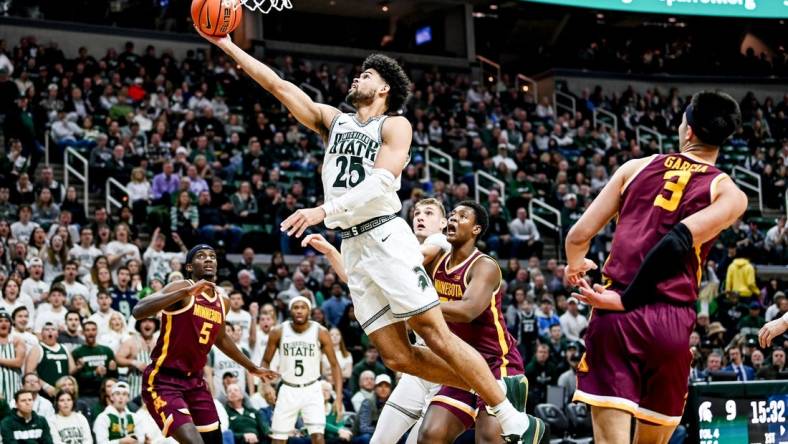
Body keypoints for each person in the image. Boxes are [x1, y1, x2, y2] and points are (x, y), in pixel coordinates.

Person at [200, 29, 534, 442]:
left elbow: (380, 184)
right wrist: (228, 46)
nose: (358, 77)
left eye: (367, 74)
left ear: (385, 88)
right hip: (354, 244)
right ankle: (482, 388)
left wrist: (323, 210)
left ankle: (503, 409)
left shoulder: (395, 126)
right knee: (397, 355)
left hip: (386, 236)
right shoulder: (333, 121)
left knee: (433, 333)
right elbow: (277, 85)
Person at [565, 91, 747, 443]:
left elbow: (578, 235)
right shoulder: (730, 192)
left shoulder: (635, 167)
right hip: (670, 322)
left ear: (689, 131)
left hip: (616, 310)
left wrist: (576, 267)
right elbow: (680, 240)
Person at [419, 201, 539, 444]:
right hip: (461, 364)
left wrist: (417, 307)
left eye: (462, 217)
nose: (453, 219)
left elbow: (468, 310)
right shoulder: (436, 262)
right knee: (430, 435)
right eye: (451, 214)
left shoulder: (484, 266)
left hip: (498, 364)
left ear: (476, 229)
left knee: (488, 439)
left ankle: (531, 430)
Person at [132, 244, 276, 444]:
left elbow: (222, 338)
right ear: (190, 267)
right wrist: (185, 293)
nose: (208, 259)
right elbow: (138, 310)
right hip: (163, 380)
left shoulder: (222, 300)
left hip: (195, 382)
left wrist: (252, 367)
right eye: (201, 256)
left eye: (212, 256)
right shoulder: (181, 287)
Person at [262, 296, 344, 444]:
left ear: (309, 311)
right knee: (278, 439)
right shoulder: (278, 331)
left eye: (303, 307)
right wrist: (266, 385)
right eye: (296, 307)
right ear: (290, 311)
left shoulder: (321, 332)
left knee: (318, 437)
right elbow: (265, 361)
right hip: (287, 389)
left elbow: (335, 365)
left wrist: (338, 397)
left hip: (312, 389)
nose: (299, 311)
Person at [71, 321, 117, 402]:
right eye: (87, 330)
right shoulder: (77, 352)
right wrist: (94, 373)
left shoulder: (107, 351)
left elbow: (114, 377)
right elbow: (76, 377)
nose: (91, 333)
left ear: (97, 331)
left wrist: (112, 370)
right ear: (83, 332)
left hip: (105, 394)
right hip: (86, 394)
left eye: (93, 330)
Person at [115, 317, 158, 403]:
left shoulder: (159, 342)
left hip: (155, 391)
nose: (147, 324)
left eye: (150, 321)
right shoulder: (131, 341)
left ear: (155, 324)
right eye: (144, 321)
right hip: (135, 391)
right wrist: (133, 362)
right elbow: (118, 358)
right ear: (139, 324)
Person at [25, 323, 76, 397]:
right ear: (42, 334)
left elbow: (72, 371)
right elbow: (29, 373)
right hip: (45, 392)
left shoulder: (64, 348)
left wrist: (79, 366)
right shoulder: (37, 349)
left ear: (57, 334)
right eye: (47, 329)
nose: (50, 331)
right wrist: (45, 386)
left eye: (53, 329)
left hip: (63, 392)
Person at [0, 310, 24, 402]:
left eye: (6, 321)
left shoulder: (17, 340)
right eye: (0, 321)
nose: (3, 323)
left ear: (10, 324)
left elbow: (18, 362)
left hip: (13, 385)